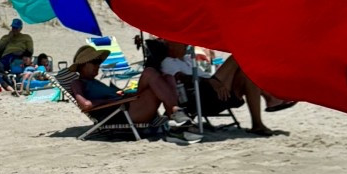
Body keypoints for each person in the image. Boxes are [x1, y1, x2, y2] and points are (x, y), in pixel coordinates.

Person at [153, 40, 282, 134]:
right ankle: (270, 98)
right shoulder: (168, 62)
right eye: (179, 43)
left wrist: (213, 79)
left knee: (246, 74)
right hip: (203, 95)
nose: (185, 44)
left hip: (213, 89)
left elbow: (206, 74)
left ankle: (257, 124)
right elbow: (181, 79)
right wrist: (212, 81)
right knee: (237, 55)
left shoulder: (187, 59)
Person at [58, 43, 180, 135]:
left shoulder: (94, 82)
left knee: (168, 78)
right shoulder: (77, 83)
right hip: (123, 113)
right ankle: (174, 112)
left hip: (128, 105)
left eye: (99, 62)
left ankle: (174, 114)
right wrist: (113, 100)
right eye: (95, 62)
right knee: (149, 72)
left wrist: (122, 95)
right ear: (82, 65)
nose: (98, 65)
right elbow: (86, 105)